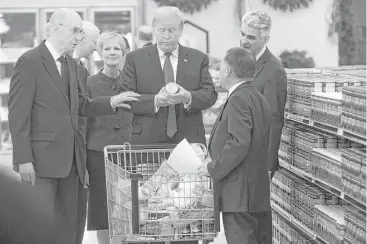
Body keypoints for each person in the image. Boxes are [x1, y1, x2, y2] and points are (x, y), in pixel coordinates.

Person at [8, 8, 140, 244]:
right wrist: (23, 159)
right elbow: (18, 113)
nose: (80, 37)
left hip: (73, 164)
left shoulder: (76, 67)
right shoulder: (29, 61)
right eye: (75, 30)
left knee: (71, 228)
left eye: (81, 31)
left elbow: (83, 106)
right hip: (41, 163)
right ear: (56, 27)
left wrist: (111, 101)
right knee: (39, 227)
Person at [198, 47, 271, 244]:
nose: (219, 72)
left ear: (228, 70)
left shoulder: (238, 98)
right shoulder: (257, 95)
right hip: (256, 192)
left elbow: (239, 142)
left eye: (221, 67)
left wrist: (212, 168)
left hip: (239, 195)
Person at [122, 6, 218, 145]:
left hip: (189, 141)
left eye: (172, 30)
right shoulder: (135, 59)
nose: (166, 36)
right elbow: (125, 97)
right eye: (161, 30)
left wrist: (188, 97)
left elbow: (210, 95)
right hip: (146, 142)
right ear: (154, 29)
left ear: (181, 29)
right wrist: (155, 101)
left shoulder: (198, 59)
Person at [240, 11, 288, 244]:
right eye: (242, 35)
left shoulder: (273, 69)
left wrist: (268, 165)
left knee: (258, 219)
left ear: (266, 38)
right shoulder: (244, 62)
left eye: (251, 37)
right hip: (241, 153)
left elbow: (273, 119)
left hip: (258, 158)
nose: (244, 41)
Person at [85, 31, 132, 244]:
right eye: (107, 48)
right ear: (99, 52)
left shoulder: (133, 81)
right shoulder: (90, 83)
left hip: (130, 152)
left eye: (117, 48)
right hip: (98, 154)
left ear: (125, 53)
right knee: (102, 210)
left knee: (130, 205)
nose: (112, 52)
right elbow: (84, 121)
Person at [71, 20, 100, 244]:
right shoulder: (72, 66)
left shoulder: (81, 67)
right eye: (94, 41)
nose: (96, 47)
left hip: (80, 147)